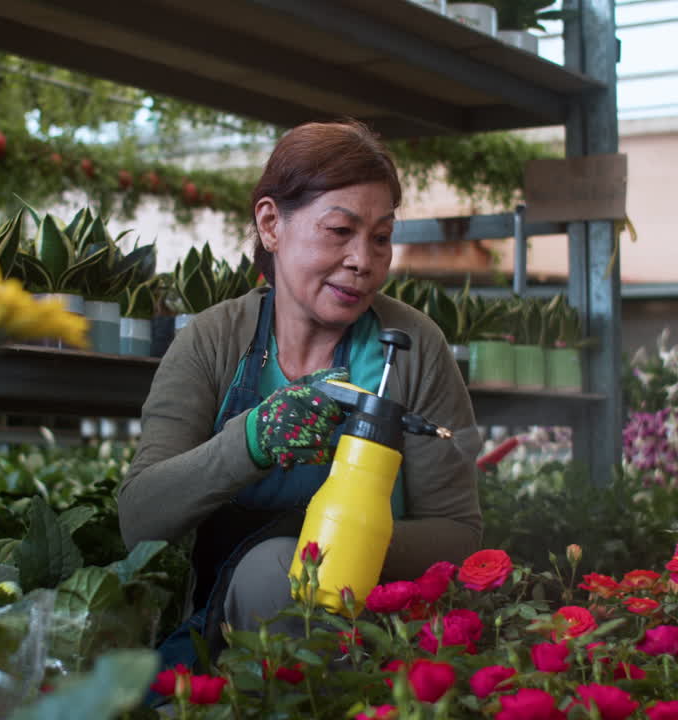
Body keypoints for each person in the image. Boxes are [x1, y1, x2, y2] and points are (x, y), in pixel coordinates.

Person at [118, 119, 482, 668]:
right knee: (266, 578)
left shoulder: (410, 349)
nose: (364, 260)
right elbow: (140, 519)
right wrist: (250, 443)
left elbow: (459, 534)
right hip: (227, 645)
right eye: (340, 231)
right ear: (271, 224)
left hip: (380, 643)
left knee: (275, 567)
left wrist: (339, 543)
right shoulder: (213, 343)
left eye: (381, 238)